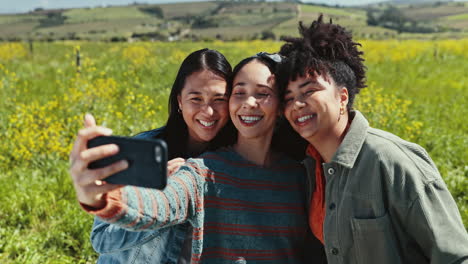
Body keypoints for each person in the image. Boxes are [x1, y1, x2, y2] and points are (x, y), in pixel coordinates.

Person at [71, 53, 324, 263]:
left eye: (262, 93)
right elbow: (156, 206)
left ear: (280, 105)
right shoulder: (199, 170)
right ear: (179, 101)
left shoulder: (299, 174)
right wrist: (100, 196)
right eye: (239, 92)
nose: (249, 102)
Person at [276, 14, 468, 264]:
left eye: (309, 91)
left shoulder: (391, 160)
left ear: (342, 97)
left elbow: (456, 257)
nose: (297, 104)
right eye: (289, 98)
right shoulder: (309, 168)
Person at [70, 48, 236, 263]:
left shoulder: (235, 160)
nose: (208, 111)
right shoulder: (143, 149)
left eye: (219, 99)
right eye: (196, 98)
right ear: (179, 101)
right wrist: (154, 201)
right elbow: (102, 240)